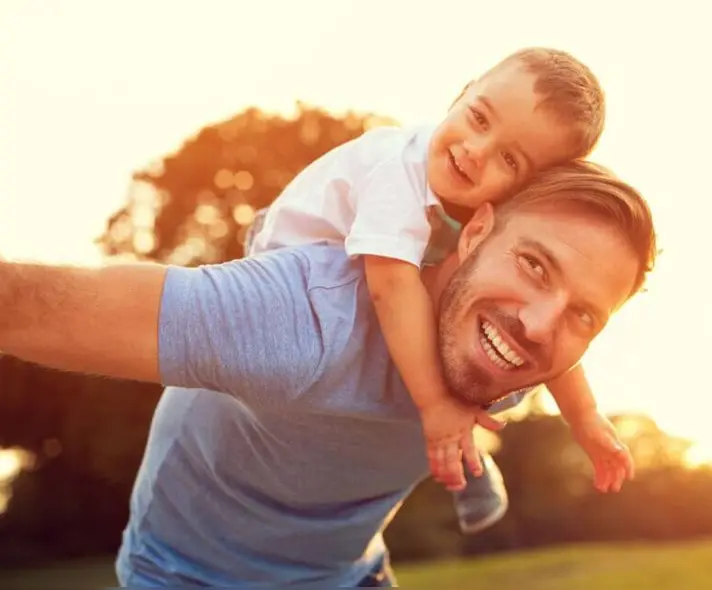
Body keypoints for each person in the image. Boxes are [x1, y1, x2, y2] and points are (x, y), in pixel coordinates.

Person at [0, 161, 657, 587]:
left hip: (347, 576)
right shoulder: (303, 319)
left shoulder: (513, 346)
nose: (541, 325)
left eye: (585, 316)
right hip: (190, 576)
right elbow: (25, 306)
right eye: (535, 265)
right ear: (474, 231)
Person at [247, 46, 632, 535]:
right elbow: (390, 286)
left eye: (510, 158)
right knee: (425, 359)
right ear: (463, 92)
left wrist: (585, 417)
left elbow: (549, 312)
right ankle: (454, 451)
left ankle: (463, 460)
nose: (476, 150)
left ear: (525, 190)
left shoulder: (480, 203)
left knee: (481, 340)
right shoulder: (397, 170)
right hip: (293, 273)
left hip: (366, 279)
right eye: (479, 118)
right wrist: (436, 406)